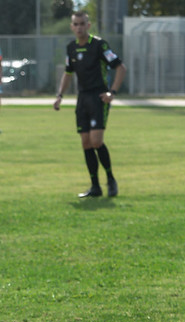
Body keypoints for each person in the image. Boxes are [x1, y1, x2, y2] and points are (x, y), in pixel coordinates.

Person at [54, 11, 126, 198]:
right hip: (82, 98)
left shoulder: (99, 45)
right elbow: (68, 73)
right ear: (72, 27)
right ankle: (95, 186)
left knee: (96, 141)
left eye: (82, 23)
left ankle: (111, 180)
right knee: (86, 143)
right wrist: (60, 95)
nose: (79, 27)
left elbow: (120, 68)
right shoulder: (71, 48)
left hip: (98, 97)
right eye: (76, 24)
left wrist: (112, 93)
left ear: (88, 25)